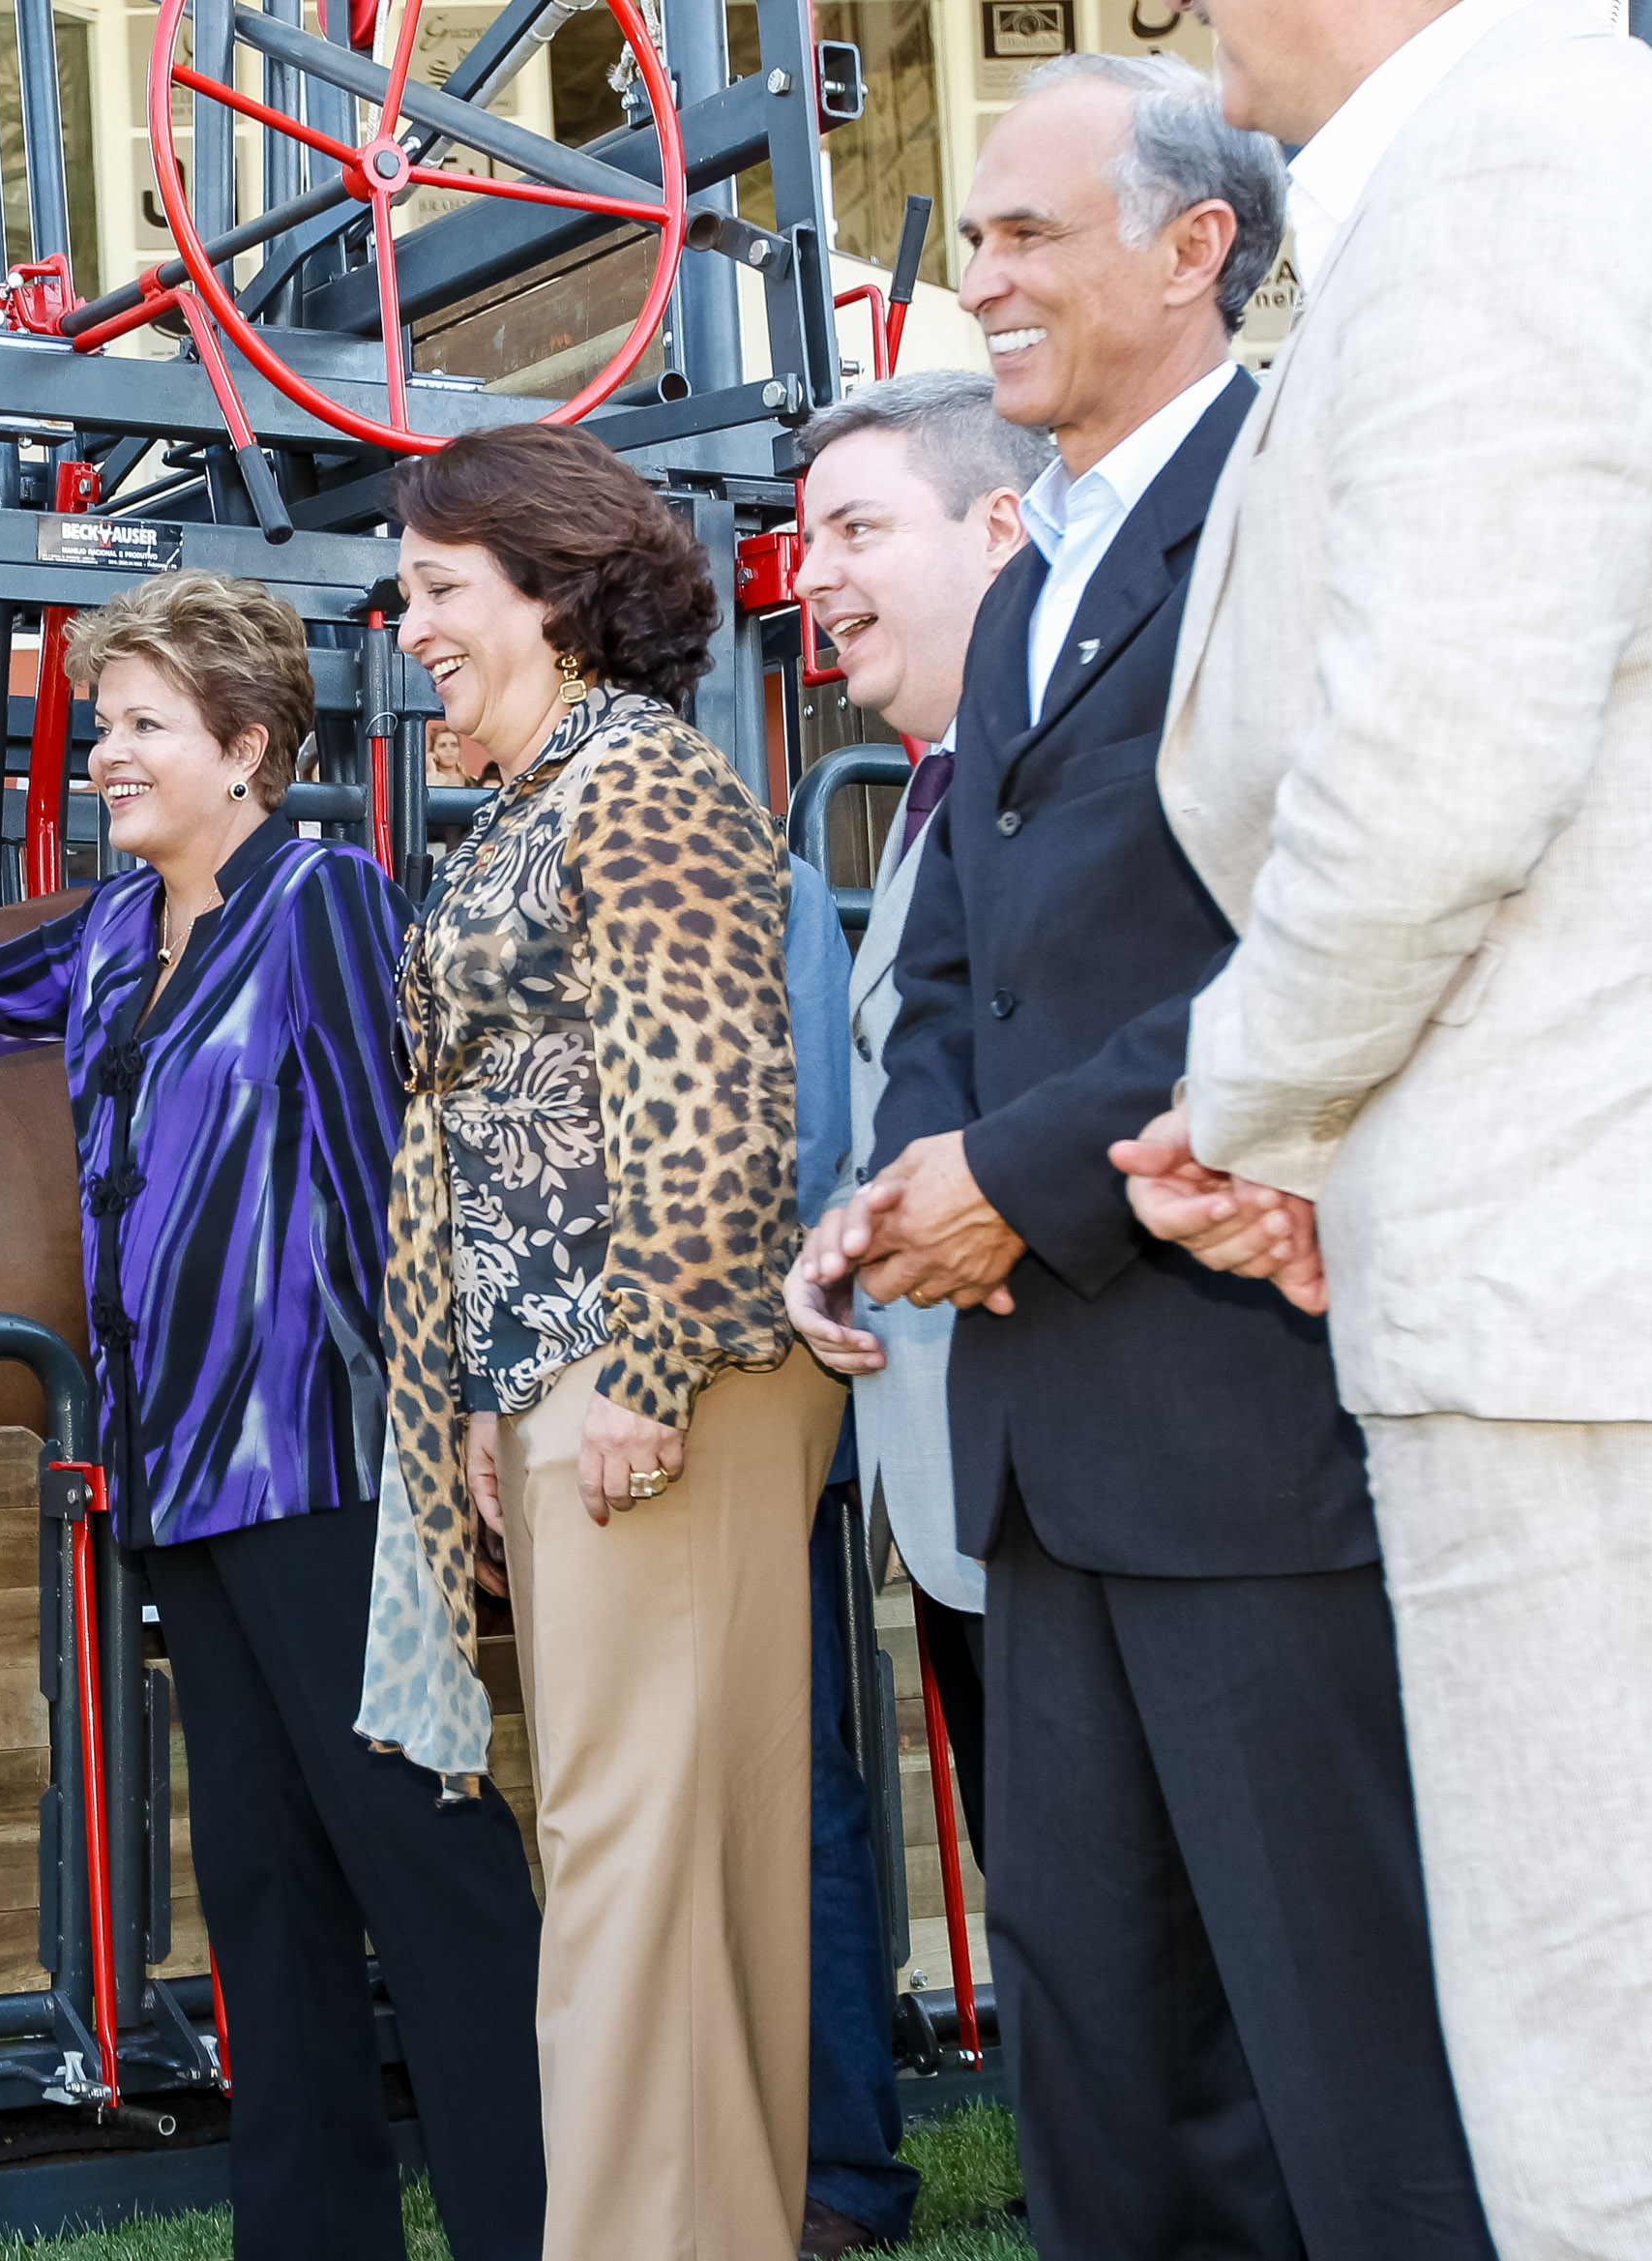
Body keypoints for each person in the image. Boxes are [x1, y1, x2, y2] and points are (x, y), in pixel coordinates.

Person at [809, 55, 1490, 2259]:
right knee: (1098, 2047)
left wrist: (1017, 1174)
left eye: (1021, 231)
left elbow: (1312, 913)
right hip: (1034, 1440)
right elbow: (954, 971)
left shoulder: (1297, 505)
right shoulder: (1019, 594)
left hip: (1239, 1416)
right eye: (974, 235)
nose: (977, 271)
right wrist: (912, 1174)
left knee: (1333, 2043)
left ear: (1195, 248)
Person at [0, 568, 547, 2261]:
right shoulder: (109, 932)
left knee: (426, 1868)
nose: (108, 752)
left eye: (142, 724)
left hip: (323, 1458)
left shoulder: (324, 903)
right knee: (261, 1885)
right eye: (106, 721)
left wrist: (460, 1418)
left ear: (245, 747)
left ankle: (535, 2227)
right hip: (181, 1480)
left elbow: (425, 1156)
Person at [1116, 7, 1652, 2253]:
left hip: (1560, 1291)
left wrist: (1250, 1109)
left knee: (1592, 2077)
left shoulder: (1507, 167)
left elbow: (1429, 759)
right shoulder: (1448, 186)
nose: (1160, 10)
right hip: (1528, 1261)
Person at [355, 421, 834, 2261]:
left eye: (438, 588)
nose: (410, 624)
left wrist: (637, 1369)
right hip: (570, 1371)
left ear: (552, 594)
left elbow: (713, 1095)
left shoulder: (639, 786)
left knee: (636, 1869)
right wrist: (499, 1390)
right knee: (634, 1862)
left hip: (667, 1371)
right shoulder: (541, 791)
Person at [778, 371, 1047, 2257]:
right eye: (808, 539)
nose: (813, 576)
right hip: (959, 1483)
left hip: (1063, 1464)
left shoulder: (1037, 789)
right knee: (1047, 1892)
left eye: (858, 529)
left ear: (998, 533)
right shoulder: (933, 803)